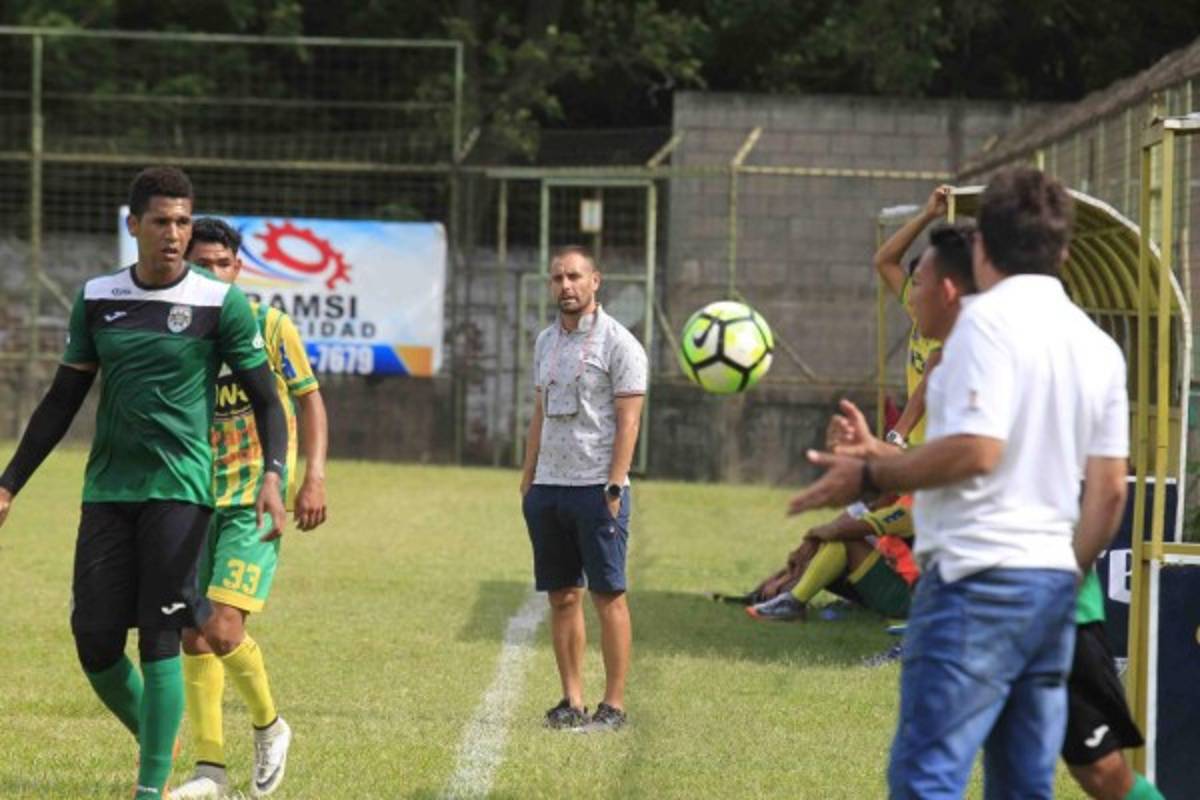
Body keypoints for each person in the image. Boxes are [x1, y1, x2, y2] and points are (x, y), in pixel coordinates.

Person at [788, 166, 1130, 798]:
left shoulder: (981, 324)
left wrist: (871, 469)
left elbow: (975, 450)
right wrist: (1063, 572)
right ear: (1064, 249)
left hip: (974, 581)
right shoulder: (1098, 346)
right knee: (1024, 782)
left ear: (982, 247)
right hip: (1050, 588)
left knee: (927, 778)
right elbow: (1110, 491)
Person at [0, 167, 287, 800]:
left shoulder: (220, 302)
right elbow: (61, 398)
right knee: (95, 640)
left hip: (182, 490)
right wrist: (9, 482)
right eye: (161, 221)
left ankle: (150, 790)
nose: (174, 234)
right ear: (134, 225)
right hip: (108, 490)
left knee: (161, 631)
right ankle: (161, 736)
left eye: (184, 221)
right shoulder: (99, 296)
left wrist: (274, 475)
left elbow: (269, 401)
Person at [748, 221, 976, 624]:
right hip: (910, 469)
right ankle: (791, 590)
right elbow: (884, 260)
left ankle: (796, 599)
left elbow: (973, 456)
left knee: (845, 530)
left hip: (920, 474)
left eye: (918, 284)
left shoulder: (975, 359)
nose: (910, 294)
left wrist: (892, 446)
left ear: (947, 292)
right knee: (843, 529)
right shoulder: (940, 341)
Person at [172, 218, 329, 799]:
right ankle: (209, 770)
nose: (211, 272)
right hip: (191, 499)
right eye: (200, 263)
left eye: (221, 263)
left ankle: (269, 726)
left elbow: (310, 401)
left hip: (252, 501)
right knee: (191, 633)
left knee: (222, 624)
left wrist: (311, 477)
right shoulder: (180, 333)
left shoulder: (268, 326)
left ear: (238, 269)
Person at [519, 245, 647, 732]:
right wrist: (529, 477)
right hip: (549, 487)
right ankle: (571, 700)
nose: (565, 286)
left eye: (574, 276)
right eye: (557, 278)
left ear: (596, 281)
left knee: (608, 595)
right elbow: (538, 414)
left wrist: (614, 484)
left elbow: (629, 421)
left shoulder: (621, 344)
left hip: (596, 487)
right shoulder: (544, 342)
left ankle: (612, 706)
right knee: (561, 596)